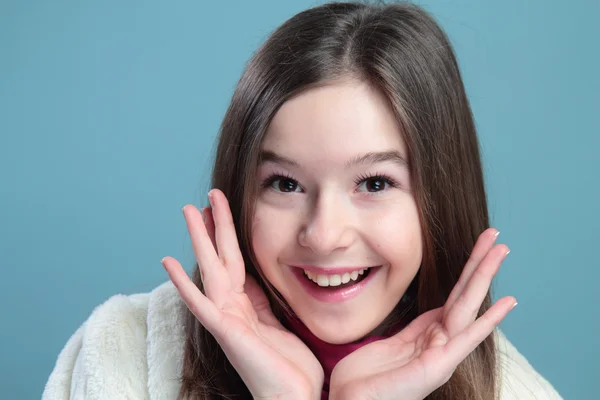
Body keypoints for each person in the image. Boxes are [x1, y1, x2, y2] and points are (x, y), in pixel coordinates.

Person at [43, 1, 563, 399]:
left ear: (440, 197)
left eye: (375, 183)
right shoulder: (122, 354)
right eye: (285, 184)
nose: (323, 235)